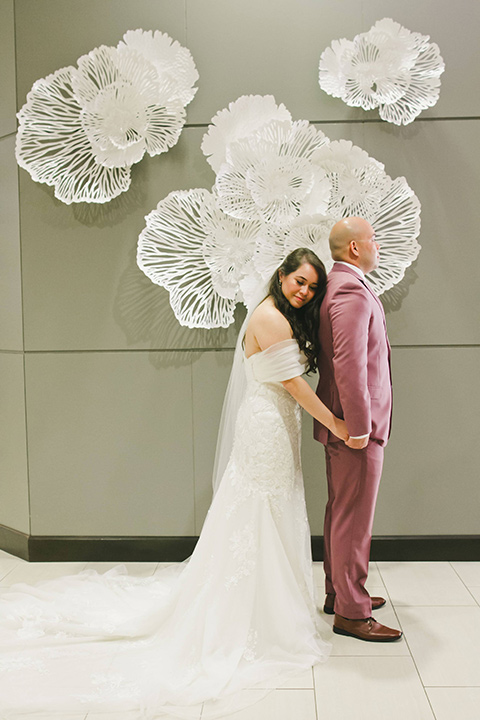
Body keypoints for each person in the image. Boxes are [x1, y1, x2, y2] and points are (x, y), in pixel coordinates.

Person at [0, 248, 348, 719]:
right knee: (257, 512)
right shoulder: (271, 319)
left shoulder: (279, 315)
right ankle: (255, 615)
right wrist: (339, 426)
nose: (304, 292)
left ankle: (273, 603)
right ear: (281, 276)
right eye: (299, 281)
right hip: (266, 426)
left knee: (268, 509)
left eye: (311, 287)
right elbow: (295, 386)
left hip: (274, 425)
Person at [314, 216, 403, 642]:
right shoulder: (349, 289)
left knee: (341, 510)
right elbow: (349, 364)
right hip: (355, 428)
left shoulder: (341, 283)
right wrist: (359, 427)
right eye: (374, 239)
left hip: (347, 424)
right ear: (354, 248)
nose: (378, 245)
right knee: (354, 517)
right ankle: (351, 611)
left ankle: (339, 591)